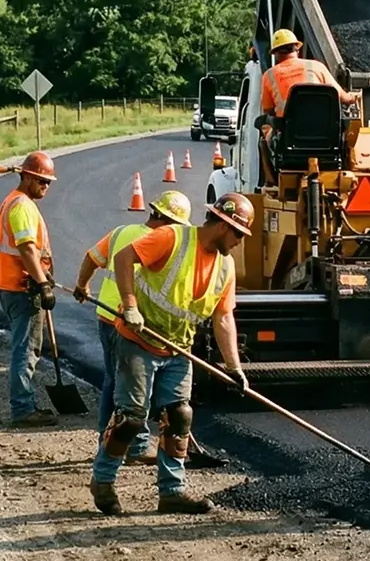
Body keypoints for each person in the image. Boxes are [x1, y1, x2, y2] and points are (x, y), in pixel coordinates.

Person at [90, 192, 255, 516]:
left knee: (179, 415)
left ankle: (172, 493)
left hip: (178, 348)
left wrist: (234, 368)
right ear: (223, 226)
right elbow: (124, 258)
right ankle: (103, 481)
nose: (239, 242)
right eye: (239, 234)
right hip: (138, 340)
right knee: (131, 418)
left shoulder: (225, 267)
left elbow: (223, 318)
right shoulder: (172, 238)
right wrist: (131, 306)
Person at [73, 190, 192, 466]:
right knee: (134, 387)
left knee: (114, 382)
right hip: (131, 323)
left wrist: (82, 285)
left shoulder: (120, 232)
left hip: (106, 316)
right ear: (169, 221)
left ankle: (110, 442)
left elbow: (92, 258)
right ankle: (133, 446)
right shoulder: (161, 243)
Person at [0, 151, 59, 428]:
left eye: (49, 181)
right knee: (26, 350)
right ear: (27, 176)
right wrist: (42, 283)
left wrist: (43, 273)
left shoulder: (16, 202)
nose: (46, 186)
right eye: (42, 180)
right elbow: (27, 248)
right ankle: (22, 408)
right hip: (22, 288)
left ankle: (23, 403)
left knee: (25, 347)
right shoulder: (21, 206)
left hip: (13, 285)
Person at [260, 29, 358, 119]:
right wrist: (357, 96)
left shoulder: (269, 76)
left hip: (289, 134)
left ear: (276, 54)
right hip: (323, 129)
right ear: (297, 50)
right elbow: (343, 97)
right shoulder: (316, 66)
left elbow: (268, 112)